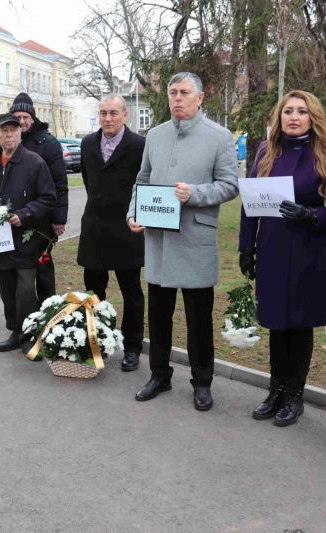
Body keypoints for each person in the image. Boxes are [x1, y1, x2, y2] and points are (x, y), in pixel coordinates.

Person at [127, 72, 239, 410]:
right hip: (159, 241)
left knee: (198, 321)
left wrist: (195, 193)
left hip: (195, 240)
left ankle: (202, 382)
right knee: (159, 317)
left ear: (200, 97)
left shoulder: (219, 137)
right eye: (173, 92)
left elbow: (231, 185)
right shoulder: (156, 135)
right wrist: (134, 211)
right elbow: (142, 179)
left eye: (185, 92)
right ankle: (159, 375)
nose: (177, 98)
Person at [238, 90, 326, 426]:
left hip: (308, 249)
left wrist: (314, 215)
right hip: (271, 247)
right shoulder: (266, 151)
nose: (294, 117)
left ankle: (295, 394)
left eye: (301, 111)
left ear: (312, 116)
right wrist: (246, 247)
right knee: (276, 323)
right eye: (288, 111)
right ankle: (276, 389)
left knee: (299, 325)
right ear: (279, 116)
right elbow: (249, 202)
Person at [0, 113, 56, 355]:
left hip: (25, 241)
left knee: (26, 291)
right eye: (4, 130)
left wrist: (25, 214)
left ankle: (30, 335)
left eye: (14, 130)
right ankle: (14, 331)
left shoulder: (34, 162)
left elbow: (48, 198)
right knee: (7, 290)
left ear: (20, 133)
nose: (9, 135)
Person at [77, 94, 146, 371]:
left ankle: (132, 347)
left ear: (125, 115)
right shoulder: (87, 143)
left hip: (126, 230)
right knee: (94, 293)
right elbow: (87, 180)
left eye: (114, 113)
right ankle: (98, 343)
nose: (108, 118)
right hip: (93, 230)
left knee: (132, 293)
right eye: (103, 113)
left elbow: (145, 182)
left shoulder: (139, 145)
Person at [10, 92, 68, 303]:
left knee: (43, 270)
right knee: (19, 274)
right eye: (17, 117)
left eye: (26, 117)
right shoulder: (9, 141)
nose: (22, 121)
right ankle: (24, 320)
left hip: (42, 219)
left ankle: (47, 314)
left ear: (32, 118)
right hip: (15, 219)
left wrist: (59, 219)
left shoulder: (48, 143)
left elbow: (60, 184)